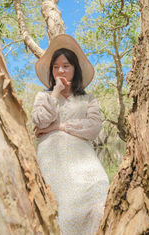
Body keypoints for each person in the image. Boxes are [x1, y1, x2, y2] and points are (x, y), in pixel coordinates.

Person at [31, 34, 110, 235]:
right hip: (52, 156)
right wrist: (55, 94)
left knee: (99, 188)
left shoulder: (88, 99)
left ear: (75, 68)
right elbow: (39, 121)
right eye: (56, 67)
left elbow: (93, 128)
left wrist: (57, 127)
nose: (61, 70)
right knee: (61, 205)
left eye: (66, 66)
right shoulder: (43, 96)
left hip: (82, 156)